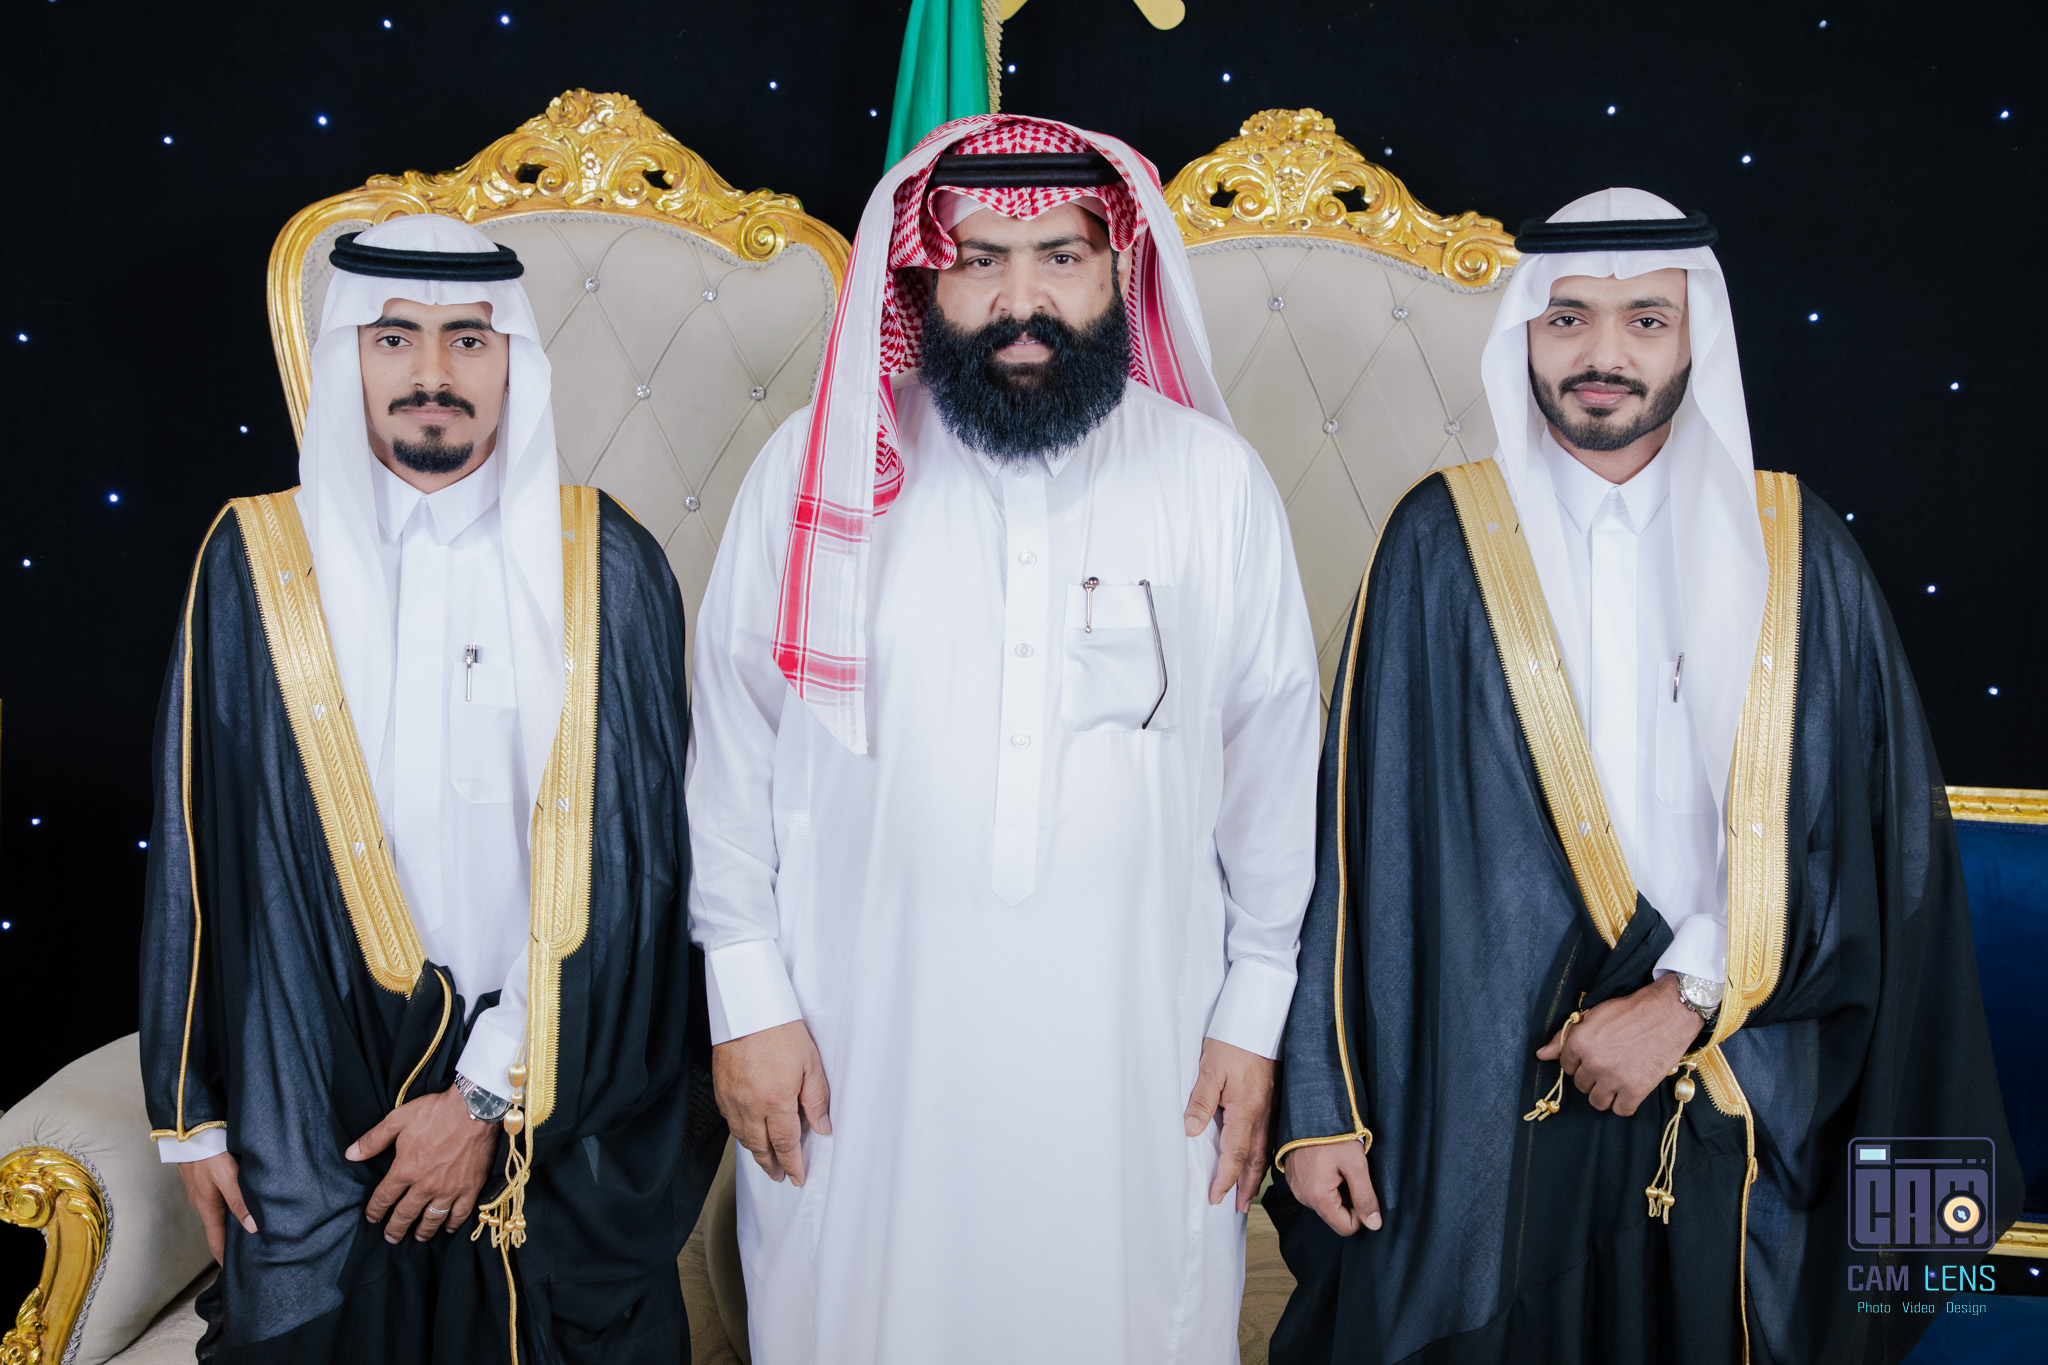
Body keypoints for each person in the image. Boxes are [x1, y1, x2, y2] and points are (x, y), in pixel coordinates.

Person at [1266, 190, 2020, 1365]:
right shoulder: (1441, 540)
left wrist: (1686, 997)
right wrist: (1321, 1107)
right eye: (1566, 318)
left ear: (1693, 337)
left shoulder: (1796, 551)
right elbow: (1357, 844)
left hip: (1738, 1071)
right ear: (1522, 332)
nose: (1601, 355)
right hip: (1486, 1087)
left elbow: (1861, 846)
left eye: (1644, 321)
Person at [686, 114, 1321, 1364]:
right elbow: (732, 744)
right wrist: (744, 997)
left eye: (1060, 258)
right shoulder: (816, 471)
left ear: (1117, 271)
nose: (1020, 301)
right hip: (859, 1044)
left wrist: (1253, 1014)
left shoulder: (1212, 483)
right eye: (978, 259)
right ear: (920, 280)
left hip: (1140, 1047)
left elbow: (1269, 766)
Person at [139, 215, 722, 1363]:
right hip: (319, 1098)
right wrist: (192, 1115)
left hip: (555, 1105)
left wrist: (489, 1095)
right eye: (394, 338)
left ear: (514, 361)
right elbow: (195, 847)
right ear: (348, 355)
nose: (432, 373)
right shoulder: (255, 560)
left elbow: (644, 880)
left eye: (468, 339)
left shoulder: (608, 564)